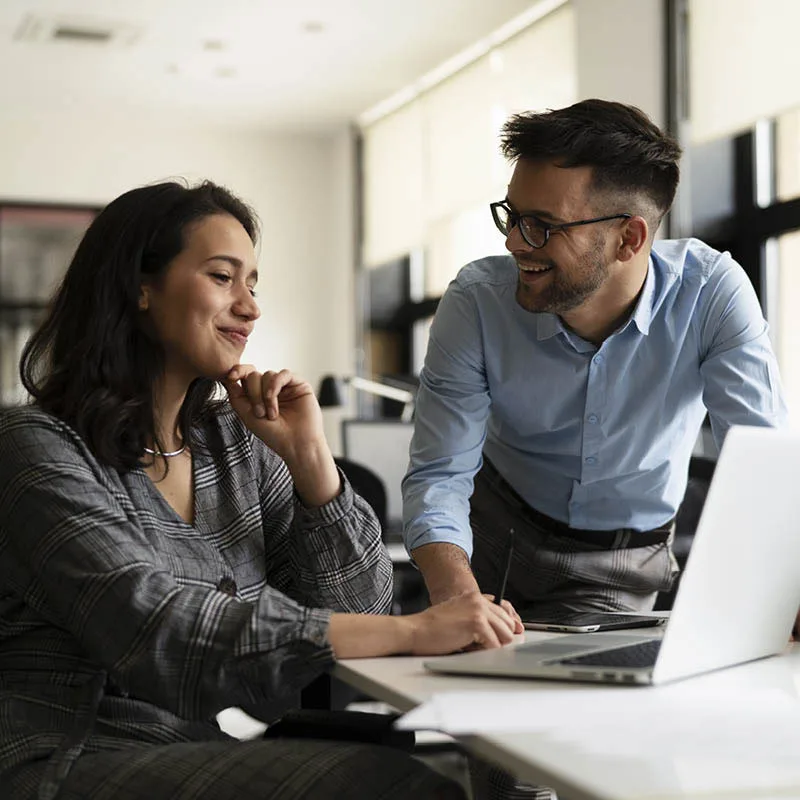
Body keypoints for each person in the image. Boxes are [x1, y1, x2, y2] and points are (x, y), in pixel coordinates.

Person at [0, 180, 518, 800]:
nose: (250, 307)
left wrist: (310, 460)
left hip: (193, 752)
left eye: (252, 284)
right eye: (223, 277)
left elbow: (365, 610)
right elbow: (157, 630)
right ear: (138, 286)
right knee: (395, 787)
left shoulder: (234, 444)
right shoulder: (34, 445)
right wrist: (416, 631)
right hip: (63, 758)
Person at [401, 99, 789, 796]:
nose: (517, 242)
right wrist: (454, 598)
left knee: (611, 766)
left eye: (542, 226)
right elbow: (440, 473)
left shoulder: (711, 293)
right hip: (498, 543)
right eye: (512, 214)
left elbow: (759, 462)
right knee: (502, 773)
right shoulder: (477, 304)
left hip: (627, 561)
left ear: (629, 238)